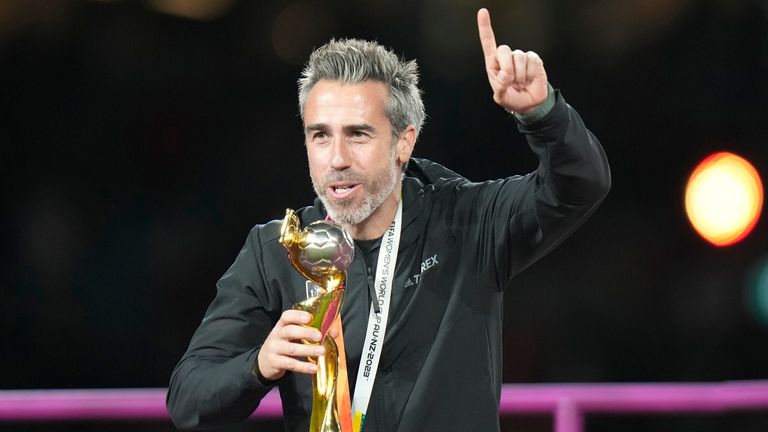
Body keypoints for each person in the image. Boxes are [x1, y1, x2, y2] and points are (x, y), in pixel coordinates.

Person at [167, 8, 610, 432]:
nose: (337, 159)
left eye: (358, 134)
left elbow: (581, 185)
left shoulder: (470, 222)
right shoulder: (277, 250)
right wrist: (258, 365)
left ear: (403, 142)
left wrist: (543, 115)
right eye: (320, 135)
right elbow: (188, 398)